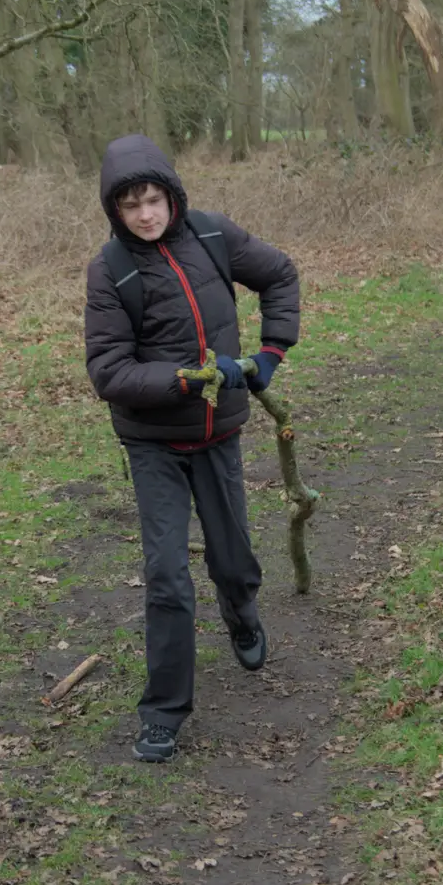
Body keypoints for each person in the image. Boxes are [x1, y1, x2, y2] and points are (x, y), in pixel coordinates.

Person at [84, 134, 301, 763]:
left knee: (232, 556)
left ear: (171, 196)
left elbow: (280, 274)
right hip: (153, 444)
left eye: (153, 199)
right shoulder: (111, 270)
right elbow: (109, 372)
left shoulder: (210, 236)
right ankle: (164, 711)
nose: (146, 214)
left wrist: (268, 354)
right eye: (131, 206)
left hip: (219, 432)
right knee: (168, 576)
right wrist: (184, 380)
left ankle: (242, 612)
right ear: (115, 211)